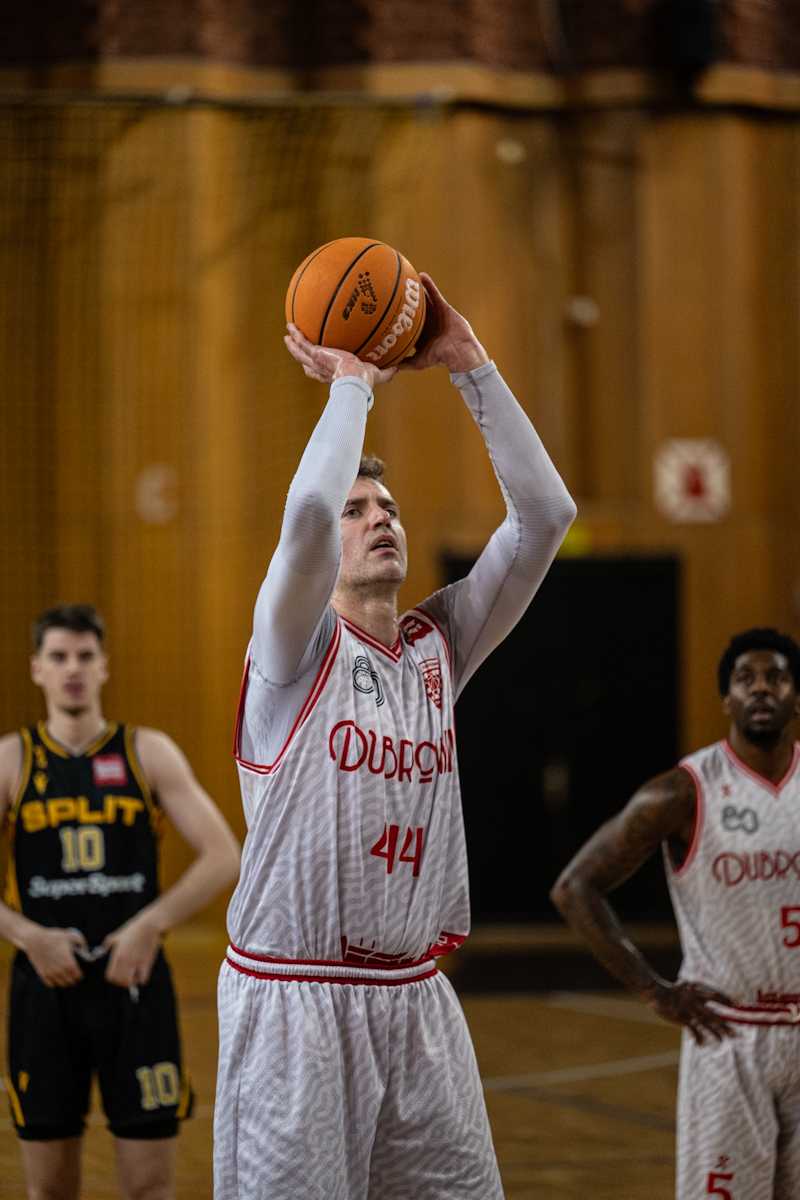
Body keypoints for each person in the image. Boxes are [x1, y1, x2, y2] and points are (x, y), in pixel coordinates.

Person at [213, 273, 576, 1199]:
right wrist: (353, 385)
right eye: (360, 509)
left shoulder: (437, 645)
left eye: (392, 509)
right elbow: (305, 515)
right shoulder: (290, 649)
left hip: (415, 999)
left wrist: (470, 364)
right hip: (294, 1000)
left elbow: (547, 517)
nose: (381, 517)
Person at [0, 603, 241, 1200]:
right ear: (36, 668)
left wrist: (149, 926)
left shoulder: (145, 751)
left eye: (85, 656)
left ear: (104, 666)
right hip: (44, 992)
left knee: (149, 1188)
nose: (73, 669)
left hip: (135, 986)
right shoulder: (12, 759)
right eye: (59, 657)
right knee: (49, 1190)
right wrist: (29, 936)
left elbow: (223, 855)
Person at [551, 626, 800, 1200]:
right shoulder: (682, 793)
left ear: (796, 696)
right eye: (746, 679)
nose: (761, 688)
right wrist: (654, 989)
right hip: (729, 1033)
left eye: (776, 678)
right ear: (727, 700)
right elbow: (575, 887)